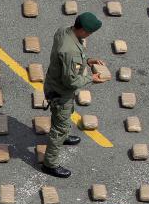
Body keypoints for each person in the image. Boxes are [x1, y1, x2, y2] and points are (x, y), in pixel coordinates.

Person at [41, 12, 108, 178]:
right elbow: (71, 81)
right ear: (83, 30)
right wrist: (91, 78)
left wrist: (88, 61)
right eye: (89, 32)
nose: (90, 35)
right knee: (59, 127)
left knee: (66, 113)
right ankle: (50, 164)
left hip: (54, 83)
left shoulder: (64, 31)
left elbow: (66, 59)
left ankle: (64, 136)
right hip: (60, 91)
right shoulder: (71, 52)